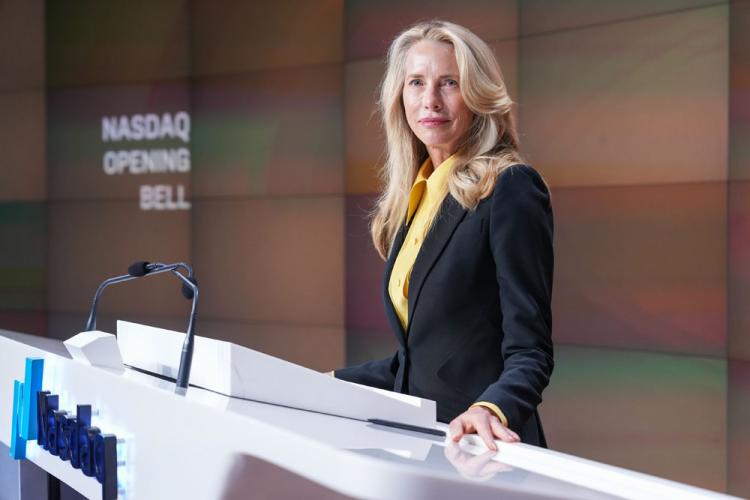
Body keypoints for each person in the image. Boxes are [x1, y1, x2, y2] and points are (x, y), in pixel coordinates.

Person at [334, 20, 554, 449]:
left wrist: (489, 409)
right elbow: (421, 360)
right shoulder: (416, 197)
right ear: (399, 96)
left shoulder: (509, 187)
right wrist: (327, 382)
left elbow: (531, 352)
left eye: (449, 82)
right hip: (423, 449)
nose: (430, 100)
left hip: (484, 451)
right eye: (416, 82)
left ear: (477, 94)